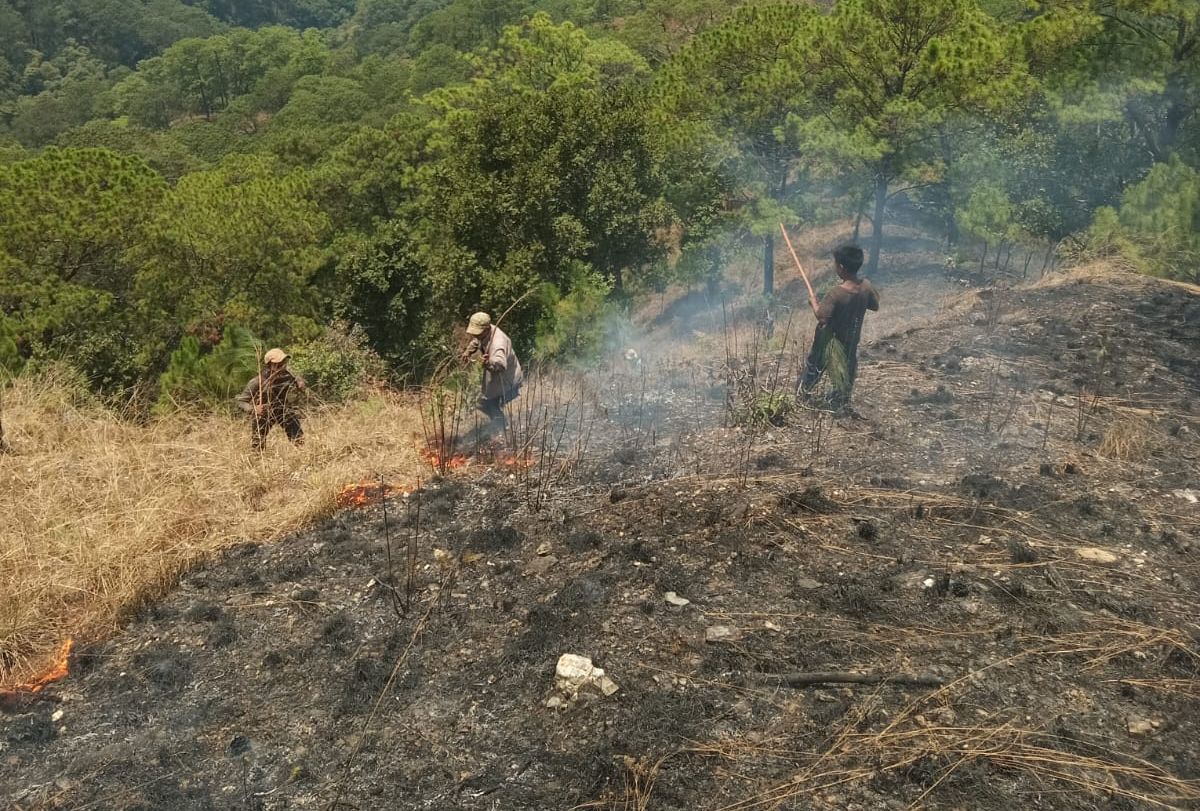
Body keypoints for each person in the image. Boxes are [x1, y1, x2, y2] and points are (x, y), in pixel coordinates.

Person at [799, 244, 880, 412]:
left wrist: (813, 303)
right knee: (847, 368)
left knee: (815, 367)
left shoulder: (836, 293)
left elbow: (822, 318)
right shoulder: (865, 286)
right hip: (851, 339)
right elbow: (874, 305)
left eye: (835, 263)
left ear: (841, 268)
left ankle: (801, 395)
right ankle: (841, 399)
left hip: (828, 340)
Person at [460, 312, 523, 434]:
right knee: (485, 404)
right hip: (498, 379)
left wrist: (488, 363)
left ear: (487, 328)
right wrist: (468, 352)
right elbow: (476, 341)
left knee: (488, 404)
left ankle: (503, 430)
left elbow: (500, 364)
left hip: (507, 380)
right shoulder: (485, 332)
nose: (475, 334)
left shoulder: (498, 343)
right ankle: (501, 425)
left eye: (477, 332)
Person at [236, 348, 307, 451]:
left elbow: (296, 377)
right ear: (270, 365)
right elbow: (240, 401)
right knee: (258, 444)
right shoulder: (258, 381)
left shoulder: (288, 375)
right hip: (264, 413)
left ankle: (302, 455)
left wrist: (300, 382)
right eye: (279, 363)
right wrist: (253, 409)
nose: (282, 365)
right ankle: (258, 461)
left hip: (282, 409)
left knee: (297, 436)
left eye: (283, 362)